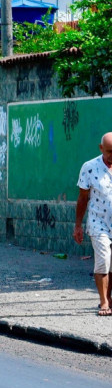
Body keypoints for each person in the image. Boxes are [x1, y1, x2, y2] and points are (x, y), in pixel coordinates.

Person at [74, 132, 112, 316]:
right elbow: (82, 199)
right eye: (110, 151)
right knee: (104, 259)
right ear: (101, 148)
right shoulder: (89, 168)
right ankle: (104, 302)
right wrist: (78, 226)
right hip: (98, 223)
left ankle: (109, 298)